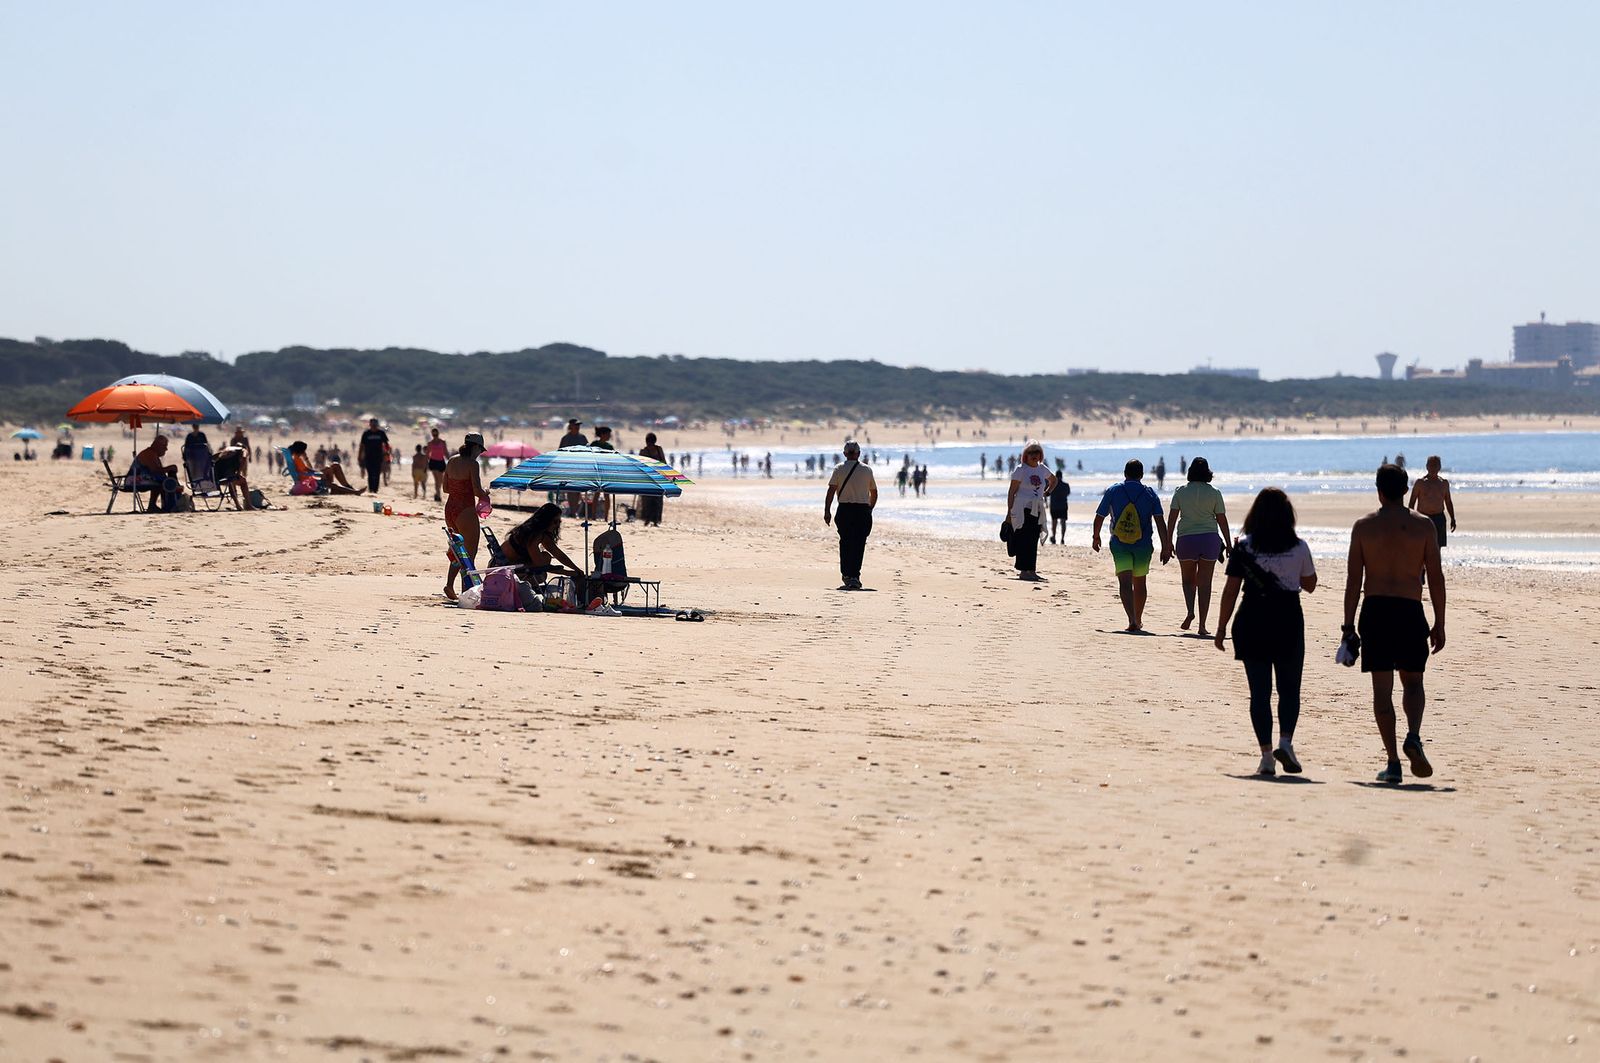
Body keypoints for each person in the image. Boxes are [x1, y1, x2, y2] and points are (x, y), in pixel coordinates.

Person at [1345, 464, 1446, 785]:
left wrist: (1348, 626)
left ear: (1378, 490)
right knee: (1414, 682)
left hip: (1375, 610)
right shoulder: (1425, 527)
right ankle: (1413, 735)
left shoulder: (1363, 527)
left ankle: (1393, 761)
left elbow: (1353, 581)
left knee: (1382, 690)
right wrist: (1439, 622)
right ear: (1406, 491)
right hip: (1409, 609)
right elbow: (1436, 578)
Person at [1213, 489, 1317, 777]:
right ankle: (1286, 741)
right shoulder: (1299, 547)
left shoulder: (1244, 547)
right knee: (1289, 688)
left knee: (1259, 692)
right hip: (1287, 619)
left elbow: (1230, 590)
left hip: (1252, 618)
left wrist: (1221, 628)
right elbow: (1310, 585)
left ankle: (1267, 756)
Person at [1092, 460, 1173, 632]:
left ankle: (1131, 619)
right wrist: (1166, 546)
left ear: (1125, 473)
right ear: (1142, 475)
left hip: (1120, 544)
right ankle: (1138, 618)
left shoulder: (1114, 490)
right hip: (1143, 545)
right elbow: (1160, 522)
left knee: (1125, 582)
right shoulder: (1150, 493)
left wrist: (1096, 536)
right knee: (1140, 582)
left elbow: (1100, 516)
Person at [1166, 456, 1231, 635]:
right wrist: (1229, 544)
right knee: (1205, 583)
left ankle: (1190, 611)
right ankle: (1202, 625)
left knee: (1188, 580)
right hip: (1209, 540)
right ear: (1208, 473)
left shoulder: (1180, 492)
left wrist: (1167, 542)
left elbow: (1172, 518)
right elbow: (1222, 520)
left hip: (1186, 540)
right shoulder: (1215, 492)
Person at [500, 501, 588, 604]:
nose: (557, 525)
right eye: (555, 521)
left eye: (559, 522)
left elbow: (558, 554)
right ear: (546, 521)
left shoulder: (538, 533)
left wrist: (575, 569)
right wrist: (569, 573)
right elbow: (540, 566)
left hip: (511, 567)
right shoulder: (532, 536)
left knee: (546, 559)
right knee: (543, 569)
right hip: (504, 572)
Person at [823, 440, 878, 590]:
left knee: (845, 542)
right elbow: (874, 492)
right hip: (862, 511)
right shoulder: (867, 470)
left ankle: (847, 575)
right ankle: (855, 576)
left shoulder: (838, 469)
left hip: (844, 510)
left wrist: (827, 511)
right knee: (859, 544)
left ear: (844, 454)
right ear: (859, 453)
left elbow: (831, 491)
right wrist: (870, 509)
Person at [442, 434, 490, 601]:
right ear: (475, 447)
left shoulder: (452, 460)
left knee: (457, 550)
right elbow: (477, 491)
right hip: (465, 509)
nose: (479, 454)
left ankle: (449, 585)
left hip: (450, 509)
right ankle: (465, 589)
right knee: (470, 552)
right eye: (480, 450)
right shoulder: (472, 464)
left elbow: (445, 488)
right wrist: (486, 493)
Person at [1006, 442, 1055, 581]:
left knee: (1033, 540)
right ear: (1025, 456)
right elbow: (1011, 492)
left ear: (1041, 455)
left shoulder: (1042, 469)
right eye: (1031, 453)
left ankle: (1032, 571)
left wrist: (1047, 492)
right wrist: (1009, 512)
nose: (1034, 455)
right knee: (1023, 539)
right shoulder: (1020, 470)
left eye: (1037, 452)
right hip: (1022, 509)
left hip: (1037, 508)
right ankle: (1023, 571)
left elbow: (1053, 480)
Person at [1408, 455, 1456, 551]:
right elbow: (1412, 502)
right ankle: (1422, 566)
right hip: (1423, 517)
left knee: (1437, 546)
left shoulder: (1444, 483)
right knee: (1422, 546)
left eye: (1435, 465)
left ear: (1439, 467)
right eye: (1431, 465)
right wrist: (1411, 519)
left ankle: (1435, 565)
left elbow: (1448, 502)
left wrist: (1452, 518)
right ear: (1427, 466)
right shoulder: (1420, 483)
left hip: (1439, 518)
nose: (1433, 468)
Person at [288, 440, 362, 495]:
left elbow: (307, 469)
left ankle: (347, 487)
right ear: (301, 451)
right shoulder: (296, 459)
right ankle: (354, 491)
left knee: (335, 465)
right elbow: (302, 473)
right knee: (330, 470)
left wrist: (307, 460)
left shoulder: (298, 458)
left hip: (310, 476)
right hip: (309, 480)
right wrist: (316, 473)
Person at [136, 436, 187, 512]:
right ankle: (156, 505)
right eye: (164, 446)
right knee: (161, 483)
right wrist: (169, 468)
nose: (166, 449)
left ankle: (167, 504)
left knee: (165, 481)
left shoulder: (153, 454)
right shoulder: (149, 454)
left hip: (142, 478)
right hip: (135, 480)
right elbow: (155, 470)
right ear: (158, 445)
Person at [212, 441, 252, 509]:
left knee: (231, 480)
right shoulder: (243, 450)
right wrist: (239, 472)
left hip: (216, 477)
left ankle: (237, 505)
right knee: (243, 481)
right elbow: (244, 458)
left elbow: (212, 458)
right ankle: (248, 505)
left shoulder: (227, 449)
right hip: (226, 476)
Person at [638, 432, 667, 526]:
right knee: (657, 500)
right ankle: (654, 520)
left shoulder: (644, 451)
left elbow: (640, 465)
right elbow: (664, 463)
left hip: (647, 479)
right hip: (658, 478)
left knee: (647, 500)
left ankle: (648, 519)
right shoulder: (659, 449)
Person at [358, 418, 389, 495]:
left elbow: (386, 444)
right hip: (368, 457)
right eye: (372, 425)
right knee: (370, 473)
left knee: (377, 473)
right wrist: (359, 456)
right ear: (370, 425)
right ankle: (371, 489)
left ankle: (375, 490)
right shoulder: (366, 434)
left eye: (375, 425)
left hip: (379, 457)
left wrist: (386, 453)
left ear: (377, 425)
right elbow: (362, 446)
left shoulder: (381, 433)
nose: (374, 427)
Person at [425, 428, 449, 501]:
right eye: (433, 434)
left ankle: (437, 493)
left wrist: (450, 460)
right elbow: (427, 454)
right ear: (432, 435)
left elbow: (445, 452)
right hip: (433, 462)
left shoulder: (443, 442)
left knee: (440, 480)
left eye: (436, 434)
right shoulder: (430, 443)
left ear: (438, 434)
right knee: (436, 480)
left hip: (441, 462)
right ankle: (438, 494)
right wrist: (428, 462)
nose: (435, 435)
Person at [1048, 473, 1071, 544]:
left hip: (1054, 506)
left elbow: (1048, 493)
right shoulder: (1066, 485)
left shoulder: (1052, 485)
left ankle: (1054, 537)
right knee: (1063, 522)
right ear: (1061, 476)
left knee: (1054, 522)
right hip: (1063, 506)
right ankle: (1062, 538)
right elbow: (1068, 493)